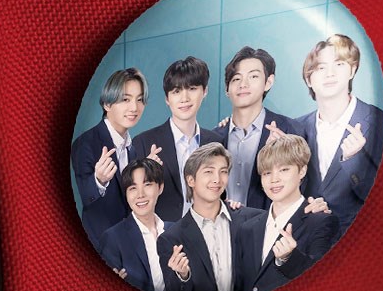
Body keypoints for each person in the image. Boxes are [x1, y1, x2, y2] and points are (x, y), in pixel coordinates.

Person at [294, 34, 383, 238]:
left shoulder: (380, 123)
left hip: (363, 241)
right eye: (321, 67)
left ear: (352, 70)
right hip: (306, 244)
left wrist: (354, 160)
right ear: (309, 79)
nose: (330, 74)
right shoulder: (295, 129)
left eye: (339, 64)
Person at [239, 134, 338, 291]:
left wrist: (288, 259)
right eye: (267, 172)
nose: (274, 179)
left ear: (302, 171)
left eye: (284, 170)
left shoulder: (321, 222)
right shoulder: (248, 228)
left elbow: (324, 282)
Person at [205, 46, 296, 211]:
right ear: (227, 89)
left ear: (268, 82)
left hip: (271, 223)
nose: (243, 84)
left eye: (253, 76)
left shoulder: (289, 130)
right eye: (236, 78)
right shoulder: (212, 139)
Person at [71, 68, 149, 250]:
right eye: (125, 99)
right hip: (99, 246)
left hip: (129, 245)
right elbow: (85, 197)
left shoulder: (133, 148)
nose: (134, 108)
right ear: (107, 104)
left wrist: (148, 172)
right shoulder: (85, 143)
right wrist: (98, 180)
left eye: (139, 100)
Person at [156, 143, 243, 291]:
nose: (217, 179)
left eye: (223, 171)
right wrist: (182, 276)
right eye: (209, 171)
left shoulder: (247, 221)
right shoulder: (171, 239)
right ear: (191, 180)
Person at [131, 56, 214, 222]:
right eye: (176, 91)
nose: (184, 98)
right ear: (167, 99)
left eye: (192, 88)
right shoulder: (143, 142)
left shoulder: (216, 142)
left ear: (205, 91)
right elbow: (131, 197)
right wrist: (146, 174)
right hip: (161, 233)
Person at [99, 158, 169, 291]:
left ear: (160, 188)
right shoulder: (113, 238)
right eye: (133, 188)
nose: (140, 195)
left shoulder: (175, 231)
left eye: (147, 185)